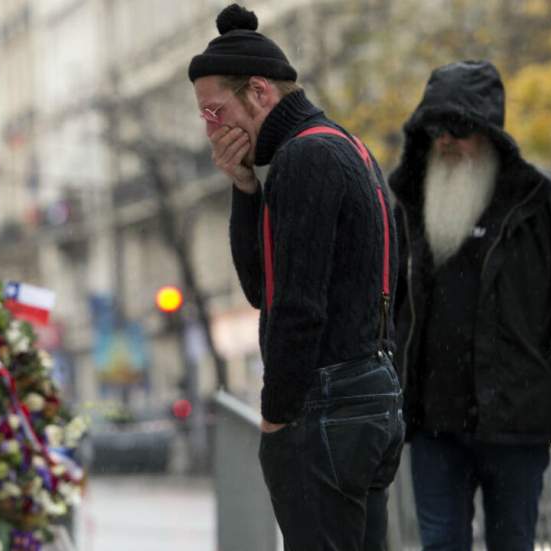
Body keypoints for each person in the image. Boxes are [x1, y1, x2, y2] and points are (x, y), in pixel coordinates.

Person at [189, 4, 403, 550]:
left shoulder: (303, 159)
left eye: (214, 111)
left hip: (327, 402)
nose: (211, 128)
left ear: (259, 92)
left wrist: (276, 415)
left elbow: (291, 303)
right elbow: (270, 285)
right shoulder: (343, 145)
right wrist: (244, 190)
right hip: (372, 393)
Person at [388, 60, 551, 551]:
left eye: (461, 128)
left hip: (516, 422)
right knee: (440, 543)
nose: (446, 140)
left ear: (490, 133)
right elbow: (384, 296)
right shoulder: (405, 204)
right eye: (436, 129)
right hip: (432, 423)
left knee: (512, 542)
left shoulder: (544, 200)